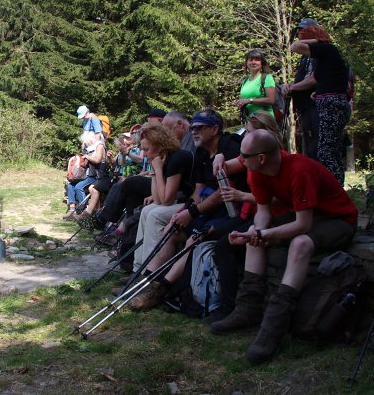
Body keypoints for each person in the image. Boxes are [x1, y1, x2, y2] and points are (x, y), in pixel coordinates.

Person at [209, 129, 357, 365]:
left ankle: (272, 328)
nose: (240, 160)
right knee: (252, 235)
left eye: (244, 156)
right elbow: (263, 215)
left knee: (300, 244)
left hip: (337, 220)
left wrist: (264, 233)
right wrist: (256, 233)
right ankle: (247, 308)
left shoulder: (299, 170)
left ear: (262, 158)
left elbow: (302, 225)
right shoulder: (257, 173)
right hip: (308, 215)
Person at [129, 109, 243, 311]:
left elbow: (222, 193)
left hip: (231, 211)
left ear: (215, 129)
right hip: (207, 209)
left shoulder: (230, 146)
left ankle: (160, 289)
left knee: (193, 238)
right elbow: (198, 191)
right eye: (192, 128)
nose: (194, 132)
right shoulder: (201, 153)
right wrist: (186, 210)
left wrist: (192, 212)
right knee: (173, 229)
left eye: (199, 128)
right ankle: (147, 281)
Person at [289, 22, 351, 184]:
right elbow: (324, 79)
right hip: (331, 104)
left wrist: (317, 40)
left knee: (326, 152)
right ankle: (336, 188)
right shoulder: (328, 57)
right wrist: (319, 93)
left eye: (304, 37)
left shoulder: (327, 49)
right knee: (330, 150)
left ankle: (334, 189)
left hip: (332, 106)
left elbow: (295, 46)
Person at [130, 122, 196, 271]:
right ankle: (138, 268)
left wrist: (158, 170)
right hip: (182, 201)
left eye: (146, 150)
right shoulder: (162, 159)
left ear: (160, 146)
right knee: (147, 211)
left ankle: (149, 272)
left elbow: (166, 201)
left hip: (194, 203)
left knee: (155, 214)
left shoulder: (176, 158)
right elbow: (158, 199)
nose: (144, 154)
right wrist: (154, 170)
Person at [284, 18, 320, 160]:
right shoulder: (306, 56)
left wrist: (293, 87)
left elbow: (312, 80)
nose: (300, 34)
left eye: (304, 31)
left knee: (317, 145)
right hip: (305, 107)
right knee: (310, 146)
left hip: (315, 105)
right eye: (299, 31)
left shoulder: (317, 53)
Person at [66, 132, 106, 219]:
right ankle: (72, 210)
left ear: (91, 140)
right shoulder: (90, 148)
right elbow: (84, 152)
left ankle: (83, 210)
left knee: (78, 187)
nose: (86, 143)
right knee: (70, 185)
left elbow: (97, 160)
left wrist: (87, 157)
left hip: (96, 176)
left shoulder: (99, 146)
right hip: (88, 175)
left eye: (87, 141)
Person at [235, 50, 278, 121]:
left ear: (262, 63)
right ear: (246, 63)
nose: (253, 62)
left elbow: (271, 100)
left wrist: (249, 101)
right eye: (250, 60)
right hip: (250, 121)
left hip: (264, 121)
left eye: (257, 60)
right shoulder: (245, 81)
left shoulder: (267, 78)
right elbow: (243, 99)